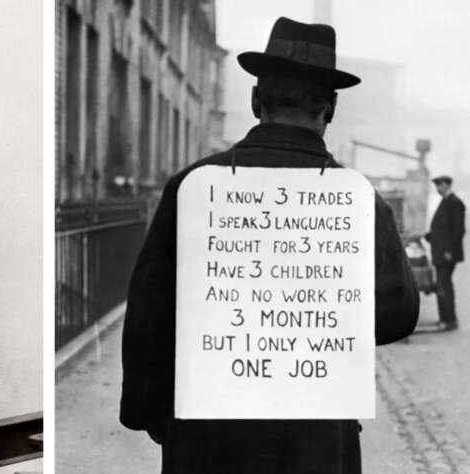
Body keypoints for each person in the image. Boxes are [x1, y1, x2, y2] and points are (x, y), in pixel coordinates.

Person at [119, 17, 420, 474]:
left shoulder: (195, 186)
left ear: (256, 99)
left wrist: (158, 416)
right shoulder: (359, 198)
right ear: (331, 108)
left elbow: (149, 312)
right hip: (316, 433)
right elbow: (398, 313)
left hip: (208, 432)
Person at [426, 175, 465, 331]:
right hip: (441, 253)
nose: (437, 188)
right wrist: (427, 236)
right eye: (436, 186)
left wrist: (449, 251)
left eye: (439, 185)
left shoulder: (455, 203)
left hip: (446, 254)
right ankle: (445, 319)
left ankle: (449, 321)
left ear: (446, 185)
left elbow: (458, 231)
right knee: (443, 286)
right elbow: (441, 229)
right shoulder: (446, 202)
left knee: (444, 287)